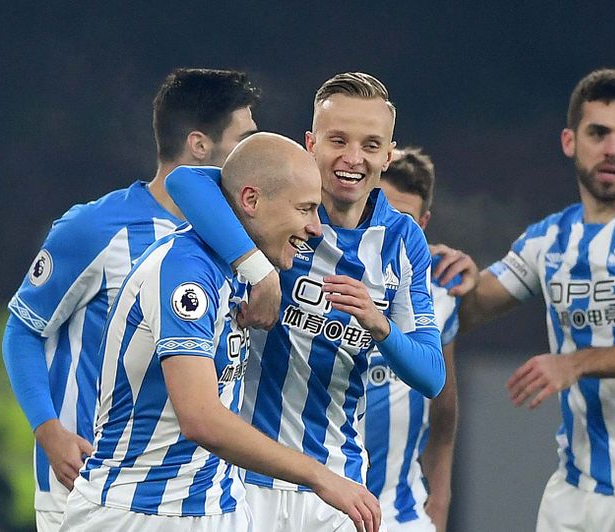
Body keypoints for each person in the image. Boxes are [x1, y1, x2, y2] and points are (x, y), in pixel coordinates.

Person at [434, 68, 615, 531]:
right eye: (599, 133)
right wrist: (446, 277)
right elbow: (464, 312)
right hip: (575, 493)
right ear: (570, 141)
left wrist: (576, 363)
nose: (613, 149)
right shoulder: (548, 240)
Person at [1, 67, 281, 532]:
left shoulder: (240, 246)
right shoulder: (96, 228)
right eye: (243, 140)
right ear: (199, 145)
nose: (252, 156)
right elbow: (23, 329)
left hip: (196, 501)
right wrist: (48, 430)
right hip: (89, 489)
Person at [165, 72, 446, 531]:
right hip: (240, 478)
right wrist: (260, 273)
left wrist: (380, 326)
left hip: (335, 484)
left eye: (371, 145)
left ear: (388, 155)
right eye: (338, 140)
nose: (353, 159)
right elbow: (185, 182)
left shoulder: (402, 239)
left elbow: (432, 376)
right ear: (311, 143)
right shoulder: (276, 207)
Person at [61, 133, 381, 532]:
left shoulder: (241, 271)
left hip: (219, 510)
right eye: (305, 209)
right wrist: (320, 476)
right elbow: (200, 419)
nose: (316, 227)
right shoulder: (185, 271)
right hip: (135, 512)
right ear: (251, 201)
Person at [363, 148, 459, 532]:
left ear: (423, 223)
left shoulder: (439, 299)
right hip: (314, 507)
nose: (392, 231)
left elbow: (444, 418)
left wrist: (438, 505)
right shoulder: (319, 279)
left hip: (400, 517)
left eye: (405, 221)